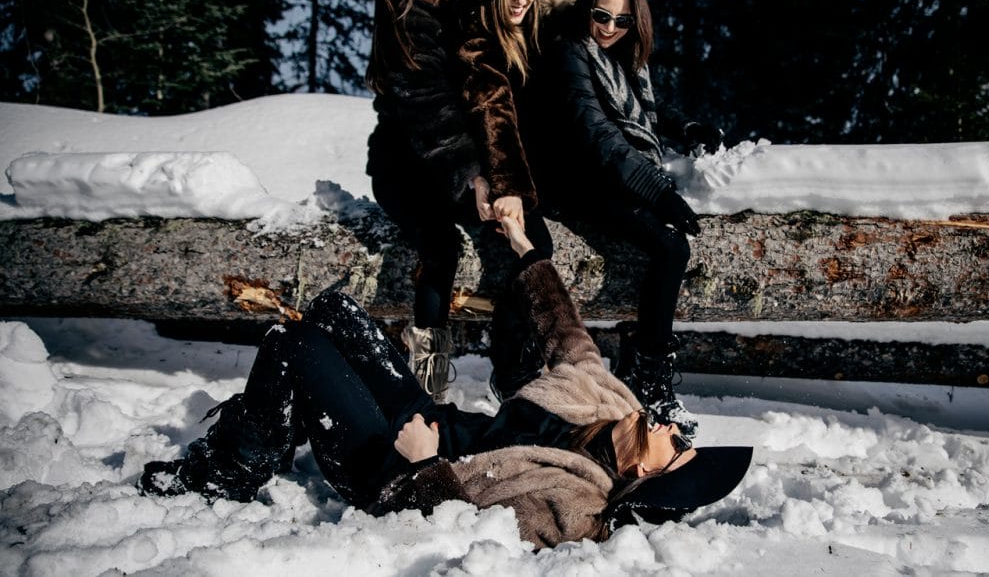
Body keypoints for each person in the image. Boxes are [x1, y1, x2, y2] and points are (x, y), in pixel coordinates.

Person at [138, 215, 752, 549]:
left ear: (645, 474)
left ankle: (232, 467)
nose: (672, 423)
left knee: (293, 342)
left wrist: (424, 467)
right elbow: (567, 334)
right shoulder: (612, 402)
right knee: (333, 312)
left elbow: (472, 523)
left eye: (677, 442)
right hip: (423, 415)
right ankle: (287, 417)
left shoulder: (575, 508)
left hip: (392, 463)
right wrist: (526, 251)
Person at [523, 0, 723, 424]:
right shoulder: (571, 52)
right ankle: (648, 377)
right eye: (601, 16)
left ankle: (642, 371)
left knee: (670, 244)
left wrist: (685, 126)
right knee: (670, 247)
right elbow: (597, 133)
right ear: (586, 9)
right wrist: (657, 191)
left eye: (621, 20)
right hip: (572, 178)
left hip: (604, 171)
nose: (610, 28)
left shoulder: (621, 57)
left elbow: (643, 111)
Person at [364, 0, 485, 401]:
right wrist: (475, 176)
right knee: (441, 246)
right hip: (403, 172)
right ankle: (426, 379)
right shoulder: (406, 36)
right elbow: (436, 119)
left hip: (441, 164)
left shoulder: (458, 16)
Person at [455, 0, 557, 399]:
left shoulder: (530, 35)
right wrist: (506, 186)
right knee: (532, 246)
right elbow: (492, 114)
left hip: (520, 176)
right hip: (483, 180)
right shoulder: (477, 41)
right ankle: (515, 376)